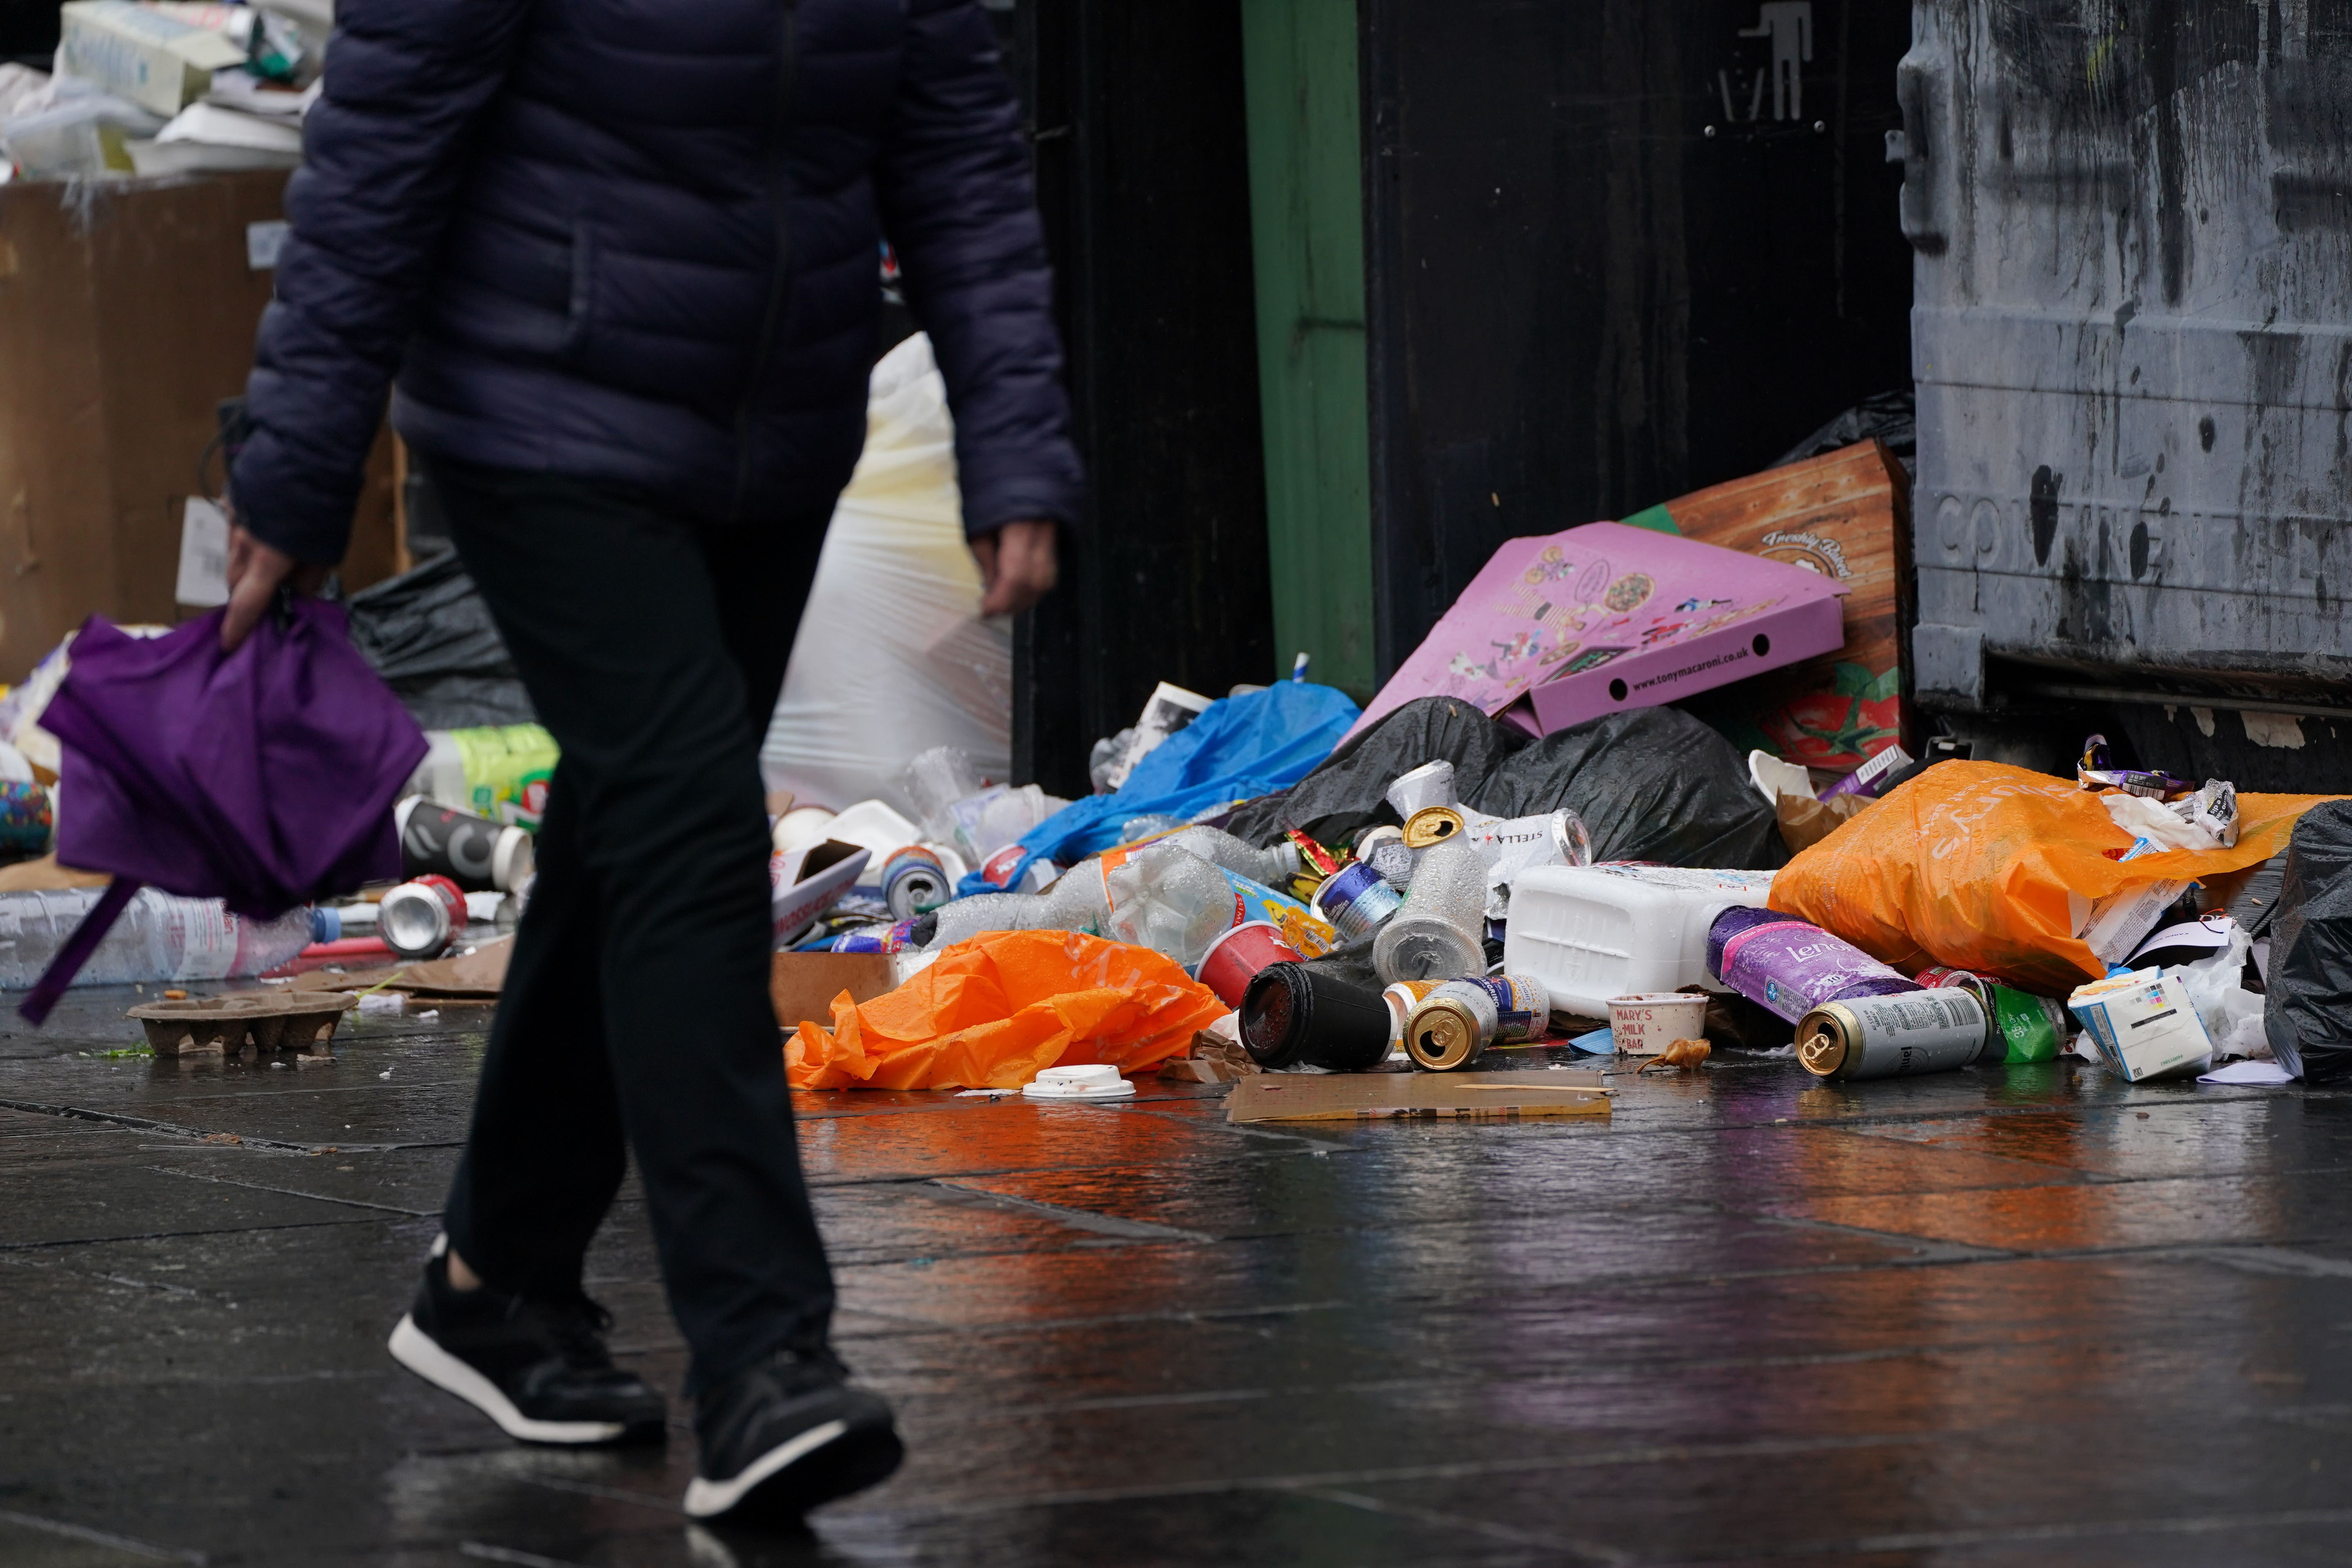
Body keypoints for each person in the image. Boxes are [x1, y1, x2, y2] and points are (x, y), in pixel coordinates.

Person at [219, 0, 1081, 1528]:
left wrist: (1014, 446)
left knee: (631, 830)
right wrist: (293, 467)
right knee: (690, 822)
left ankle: (498, 1280)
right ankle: (764, 1361)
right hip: (540, 413)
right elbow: (378, 153)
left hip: (772, 433)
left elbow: (955, 148)